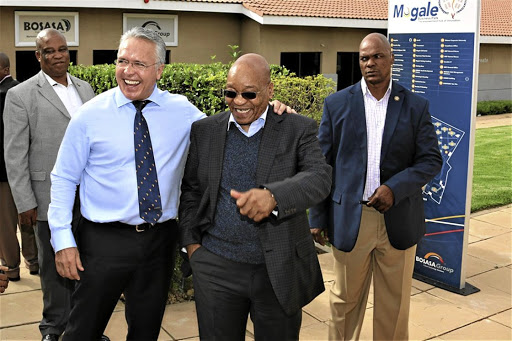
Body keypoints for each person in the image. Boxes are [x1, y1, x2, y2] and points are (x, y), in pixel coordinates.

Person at [47, 27, 291, 341]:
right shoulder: (89, 116)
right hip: (102, 243)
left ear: (160, 70)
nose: (128, 71)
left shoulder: (183, 112)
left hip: (159, 243)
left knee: (146, 331)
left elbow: (229, 127)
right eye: (123, 61)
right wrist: (63, 239)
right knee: (82, 331)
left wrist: (273, 112)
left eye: (139, 64)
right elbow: (64, 178)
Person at [179, 53, 332, 340]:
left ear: (270, 90)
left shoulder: (296, 128)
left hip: (277, 269)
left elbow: (320, 178)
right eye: (231, 93)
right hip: (215, 268)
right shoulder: (205, 131)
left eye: (250, 93)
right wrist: (192, 247)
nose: (239, 101)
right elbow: (191, 191)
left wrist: (274, 196)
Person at [309, 33, 443, 340]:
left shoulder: (415, 106)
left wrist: (394, 188)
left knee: (393, 308)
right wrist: (317, 217)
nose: (371, 64)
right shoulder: (337, 105)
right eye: (364, 58)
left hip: (398, 219)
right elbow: (321, 165)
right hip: (350, 220)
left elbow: (430, 160)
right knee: (343, 303)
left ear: (392, 58)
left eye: (378, 56)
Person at [3, 29, 96, 341]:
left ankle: (83, 328)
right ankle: (53, 328)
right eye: (49, 51)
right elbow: (15, 154)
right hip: (47, 196)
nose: (57, 55)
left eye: (62, 49)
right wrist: (24, 201)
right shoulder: (21, 95)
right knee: (53, 266)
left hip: (89, 196)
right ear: (38, 56)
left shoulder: (86, 89)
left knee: (85, 264)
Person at [0, 52, 39, 282]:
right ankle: (34, 262)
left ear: (4, 69)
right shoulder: (26, 91)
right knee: (28, 217)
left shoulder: (4, 94)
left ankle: (11, 268)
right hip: (26, 169)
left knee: (5, 224)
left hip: (3, 173)